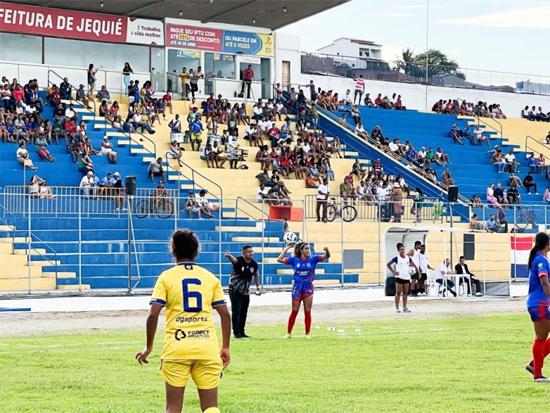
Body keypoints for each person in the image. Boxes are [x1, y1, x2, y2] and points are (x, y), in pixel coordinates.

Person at [135, 229, 231, 412]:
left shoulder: (166, 277)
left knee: (173, 407)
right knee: (211, 406)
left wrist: (148, 347)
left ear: (173, 250)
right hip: (206, 348)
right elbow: (225, 314)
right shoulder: (210, 278)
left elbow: (153, 314)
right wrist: (225, 346)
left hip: (177, 348)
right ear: (196, 251)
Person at [277, 242, 330, 339]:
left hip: (308, 287)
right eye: (306, 249)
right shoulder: (294, 260)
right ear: (301, 250)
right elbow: (279, 259)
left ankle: (307, 334)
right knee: (294, 311)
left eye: (309, 249)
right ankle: (288, 333)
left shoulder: (313, 259)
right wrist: (286, 248)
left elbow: (327, 256)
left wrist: (326, 250)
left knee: (307, 311)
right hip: (297, 287)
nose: (308, 250)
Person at [524, 232, 550, 382]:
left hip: (539, 303)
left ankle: (534, 365)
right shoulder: (540, 260)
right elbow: (544, 282)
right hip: (540, 303)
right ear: (547, 244)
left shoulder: (540, 258)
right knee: (540, 338)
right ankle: (537, 373)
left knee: (541, 337)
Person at [225, 246, 260, 339]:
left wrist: (257, 286)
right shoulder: (239, 261)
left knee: (244, 312)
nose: (251, 253)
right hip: (234, 289)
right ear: (243, 253)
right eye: (248, 252)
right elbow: (234, 261)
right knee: (236, 311)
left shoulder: (254, 264)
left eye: (252, 251)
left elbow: (255, 274)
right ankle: (236, 333)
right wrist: (229, 256)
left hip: (245, 291)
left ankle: (242, 331)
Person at [387, 243, 419, 313]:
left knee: (405, 292)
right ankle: (397, 307)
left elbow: (414, 264)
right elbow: (388, 264)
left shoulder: (408, 258)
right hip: (399, 277)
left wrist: (417, 271)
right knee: (398, 292)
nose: (402, 251)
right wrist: (394, 272)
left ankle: (404, 307)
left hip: (406, 277)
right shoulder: (397, 258)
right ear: (398, 250)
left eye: (403, 249)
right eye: (401, 249)